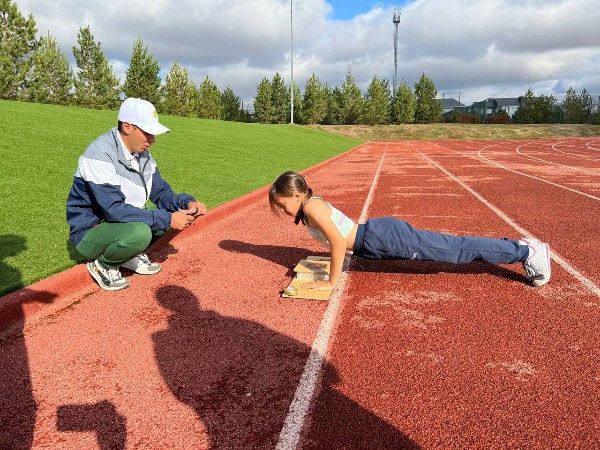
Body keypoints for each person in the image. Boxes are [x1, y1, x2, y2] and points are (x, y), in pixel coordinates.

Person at [268, 171, 551, 291]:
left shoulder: (312, 209)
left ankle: (526, 250)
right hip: (379, 237)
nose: (282, 211)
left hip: (384, 239)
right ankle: (520, 247)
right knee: (453, 247)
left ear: (296, 195)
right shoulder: (310, 207)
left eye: (282, 205)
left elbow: (338, 243)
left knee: (455, 250)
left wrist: (330, 282)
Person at [66, 98, 206, 291]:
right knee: (142, 231)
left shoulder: (143, 156)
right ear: (127, 126)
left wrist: (187, 203)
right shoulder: (99, 155)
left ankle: (128, 254)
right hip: (89, 232)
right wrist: (166, 219)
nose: (152, 140)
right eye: (147, 133)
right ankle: (103, 265)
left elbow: (162, 193)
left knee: (176, 217)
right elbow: (113, 210)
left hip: (121, 223)